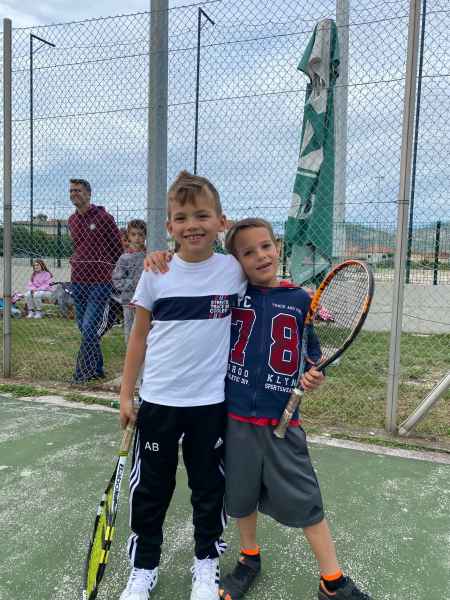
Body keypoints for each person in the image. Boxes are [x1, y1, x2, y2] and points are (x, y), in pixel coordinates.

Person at [145, 218, 371, 600]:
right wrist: (165, 256)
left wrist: (315, 374)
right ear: (235, 262)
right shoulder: (232, 294)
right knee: (240, 496)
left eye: (266, 246)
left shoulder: (299, 300)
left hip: (283, 422)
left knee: (306, 499)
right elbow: (194, 269)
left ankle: (332, 580)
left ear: (277, 247)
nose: (260, 256)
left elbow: (312, 356)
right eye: (248, 252)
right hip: (234, 420)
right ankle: (249, 558)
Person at [119, 171, 246, 600]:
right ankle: (143, 567)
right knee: (151, 491)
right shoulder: (156, 273)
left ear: (221, 222)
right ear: (170, 226)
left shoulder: (233, 271)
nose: (193, 224)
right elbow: (139, 337)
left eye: (202, 215)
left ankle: (205, 564)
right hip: (158, 402)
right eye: (182, 217)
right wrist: (125, 394)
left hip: (210, 404)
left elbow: (264, 274)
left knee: (208, 489)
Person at [68, 178, 123, 383]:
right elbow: (78, 247)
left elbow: (117, 248)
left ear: (89, 194)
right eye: (71, 191)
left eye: (78, 190)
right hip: (78, 281)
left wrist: (111, 271)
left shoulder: (104, 218)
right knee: (84, 328)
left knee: (90, 328)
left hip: (100, 282)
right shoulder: (72, 220)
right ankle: (98, 369)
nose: (74, 194)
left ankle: (83, 374)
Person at [112, 219, 147, 343]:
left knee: (146, 329)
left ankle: (146, 353)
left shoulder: (149, 255)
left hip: (147, 300)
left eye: (140, 234)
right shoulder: (124, 258)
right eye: (133, 234)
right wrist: (134, 283)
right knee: (130, 329)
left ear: (145, 236)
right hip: (129, 301)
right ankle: (130, 352)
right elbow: (117, 280)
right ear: (128, 236)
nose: (137, 238)